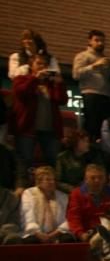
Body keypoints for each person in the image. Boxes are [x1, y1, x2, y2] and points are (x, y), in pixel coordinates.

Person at [11, 54, 67, 189]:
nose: (42, 67)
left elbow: (62, 100)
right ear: (31, 65)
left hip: (50, 130)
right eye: (39, 64)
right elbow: (21, 92)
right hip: (27, 129)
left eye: (45, 64)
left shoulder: (51, 83)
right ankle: (22, 190)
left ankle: (51, 189)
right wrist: (35, 79)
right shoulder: (22, 79)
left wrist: (59, 84)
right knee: (24, 162)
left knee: (52, 162)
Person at [72, 29, 110, 141]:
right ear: (89, 41)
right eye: (96, 40)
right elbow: (76, 74)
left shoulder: (106, 59)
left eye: (102, 41)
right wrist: (94, 66)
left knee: (105, 130)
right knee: (91, 129)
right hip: (91, 95)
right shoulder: (82, 56)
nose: (100, 43)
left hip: (107, 97)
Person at [66, 163, 110, 240]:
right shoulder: (76, 194)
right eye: (93, 178)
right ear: (86, 179)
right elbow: (74, 218)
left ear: (105, 178)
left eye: (100, 177)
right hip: (86, 233)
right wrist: (81, 234)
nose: (97, 180)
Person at [19, 166, 74, 243]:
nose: (52, 182)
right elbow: (28, 217)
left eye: (54, 179)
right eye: (48, 180)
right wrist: (39, 234)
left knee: (67, 239)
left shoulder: (63, 196)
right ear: (39, 181)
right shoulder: (29, 193)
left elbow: (68, 219)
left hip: (57, 234)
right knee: (32, 241)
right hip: (35, 233)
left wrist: (54, 234)